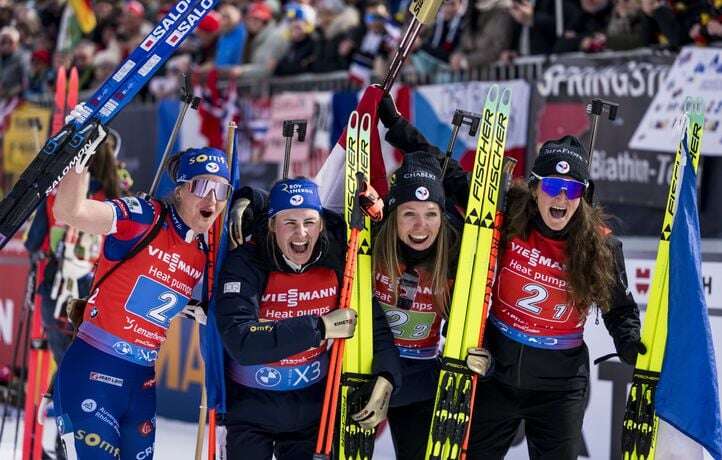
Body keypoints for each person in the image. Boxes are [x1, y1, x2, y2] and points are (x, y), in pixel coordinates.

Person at [50, 123, 231, 459]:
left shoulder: (205, 249)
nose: (212, 199)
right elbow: (69, 212)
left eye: (221, 190)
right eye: (203, 186)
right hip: (94, 370)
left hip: (143, 382)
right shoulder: (144, 218)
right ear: (179, 190)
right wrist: (79, 159)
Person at [465, 136, 644, 459]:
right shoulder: (508, 221)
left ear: (584, 196)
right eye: (552, 186)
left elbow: (619, 310)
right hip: (496, 374)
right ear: (535, 189)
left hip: (558, 388)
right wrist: (398, 129)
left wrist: (630, 341)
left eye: (573, 189)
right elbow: (453, 188)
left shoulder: (600, 246)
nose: (562, 197)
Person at [216, 177, 401, 459]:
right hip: (251, 409)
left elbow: (371, 321)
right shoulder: (246, 262)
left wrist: (388, 375)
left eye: (309, 222)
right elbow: (241, 342)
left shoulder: (340, 258)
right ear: (271, 225)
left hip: (313, 411)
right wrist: (320, 327)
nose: (301, 233)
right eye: (289, 222)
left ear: (322, 224)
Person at [374, 98, 493, 460]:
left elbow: (445, 176)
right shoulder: (372, 235)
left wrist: (484, 356)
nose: (420, 226)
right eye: (409, 214)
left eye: (430, 215)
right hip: (369, 367)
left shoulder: (456, 247)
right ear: (394, 215)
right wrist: (252, 200)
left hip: (421, 378)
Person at [25, 129, 125, 368]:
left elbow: (33, 243)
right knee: (90, 369)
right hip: (98, 290)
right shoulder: (117, 197)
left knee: (66, 367)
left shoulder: (57, 193)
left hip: (56, 288)